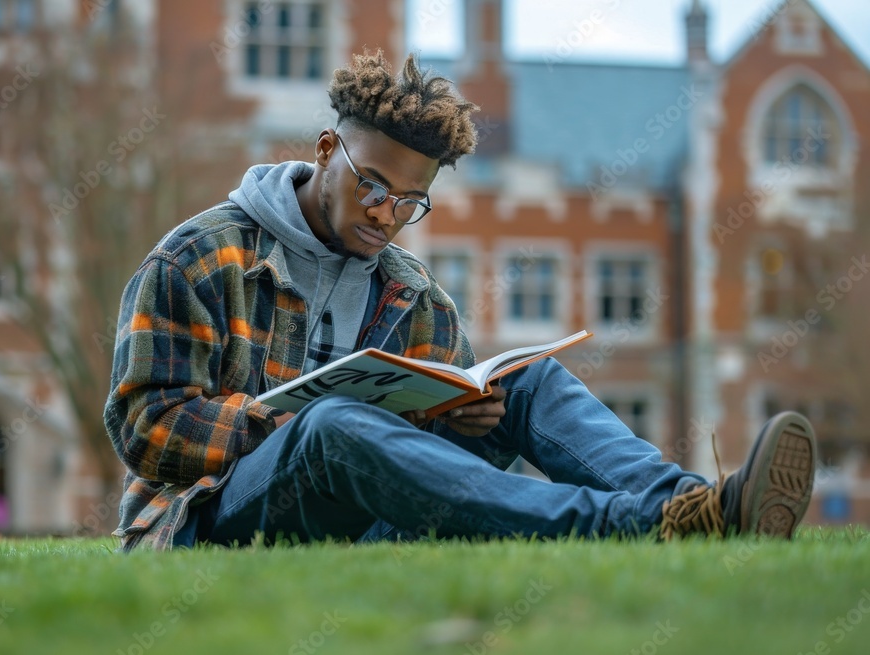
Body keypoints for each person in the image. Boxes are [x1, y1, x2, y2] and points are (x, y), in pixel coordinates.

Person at [104, 51, 816, 552]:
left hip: (365, 519)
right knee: (331, 426)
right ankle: (638, 524)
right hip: (210, 520)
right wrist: (284, 418)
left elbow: (432, 431)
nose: (386, 215)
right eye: (374, 186)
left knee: (521, 381)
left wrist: (457, 406)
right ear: (326, 149)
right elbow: (143, 425)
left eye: (411, 202)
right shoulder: (198, 257)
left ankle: (697, 506)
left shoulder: (413, 291)